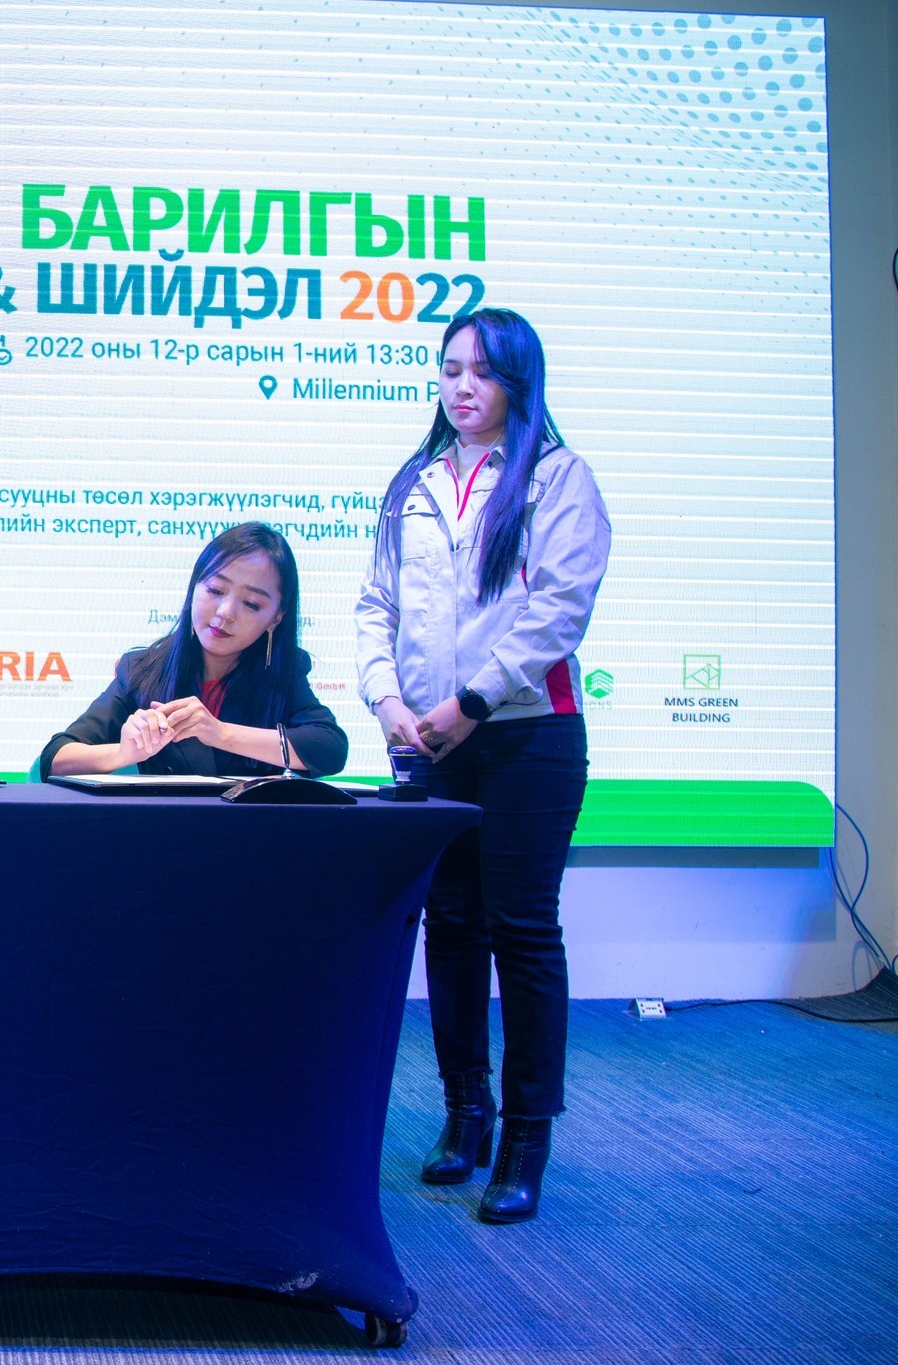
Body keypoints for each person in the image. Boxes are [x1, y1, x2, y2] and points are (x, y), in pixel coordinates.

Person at [355, 307, 610, 1224]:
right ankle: (466, 1112)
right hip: (427, 739)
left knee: (523, 930)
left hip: (527, 737)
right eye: (450, 368)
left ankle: (527, 1138)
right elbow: (375, 605)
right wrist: (387, 701)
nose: (463, 386)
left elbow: (558, 611)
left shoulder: (557, 476)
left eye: (484, 371)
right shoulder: (413, 481)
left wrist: (470, 703)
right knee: (451, 925)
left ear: (519, 381)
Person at [41, 522, 347, 780]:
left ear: (276, 619)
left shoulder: (285, 672)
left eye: (251, 603)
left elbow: (329, 748)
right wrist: (123, 753)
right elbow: (55, 758)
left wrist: (221, 734)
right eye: (215, 590)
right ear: (193, 588)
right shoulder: (142, 669)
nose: (226, 612)